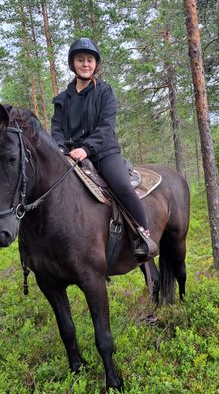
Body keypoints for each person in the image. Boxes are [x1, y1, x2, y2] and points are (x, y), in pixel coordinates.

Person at [51, 37, 157, 261]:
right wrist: (60, 149)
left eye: (90, 60)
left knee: (122, 187)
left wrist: (86, 149)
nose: (85, 64)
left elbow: (106, 127)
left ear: (95, 65)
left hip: (104, 152)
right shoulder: (62, 99)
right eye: (80, 60)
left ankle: (143, 236)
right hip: (70, 155)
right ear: (73, 64)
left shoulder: (104, 92)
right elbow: (57, 128)